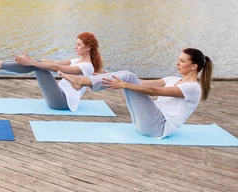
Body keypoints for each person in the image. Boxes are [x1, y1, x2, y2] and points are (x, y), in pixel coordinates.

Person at [60, 48, 213, 138]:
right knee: (128, 76)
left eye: (182, 61)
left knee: (127, 77)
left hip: (159, 127)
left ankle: (82, 82)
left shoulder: (193, 88)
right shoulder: (174, 79)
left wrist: (124, 83)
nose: (177, 63)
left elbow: (153, 91)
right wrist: (108, 74)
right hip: (148, 123)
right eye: (178, 59)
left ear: (194, 66)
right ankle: (86, 81)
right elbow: (142, 83)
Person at [0, 32, 103, 111]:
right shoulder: (76, 60)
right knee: (38, 63)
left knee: (38, 66)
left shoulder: (87, 66)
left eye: (78, 45)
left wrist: (32, 63)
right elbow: (53, 62)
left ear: (88, 47)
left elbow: (57, 68)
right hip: (57, 97)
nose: (75, 47)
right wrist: (32, 60)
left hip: (62, 102)